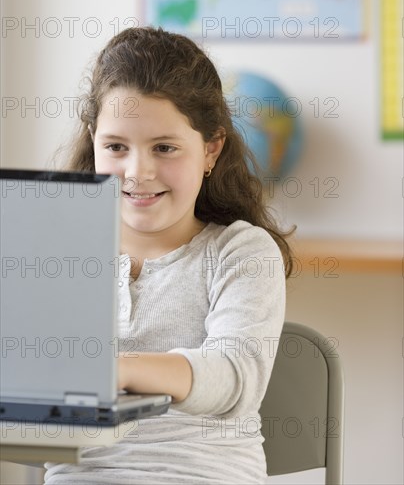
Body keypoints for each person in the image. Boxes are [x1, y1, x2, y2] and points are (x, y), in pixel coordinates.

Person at [45, 26, 294, 484]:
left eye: (164, 148)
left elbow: (233, 377)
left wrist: (119, 369)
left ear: (210, 149)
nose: (138, 172)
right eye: (116, 147)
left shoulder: (241, 252)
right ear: (93, 139)